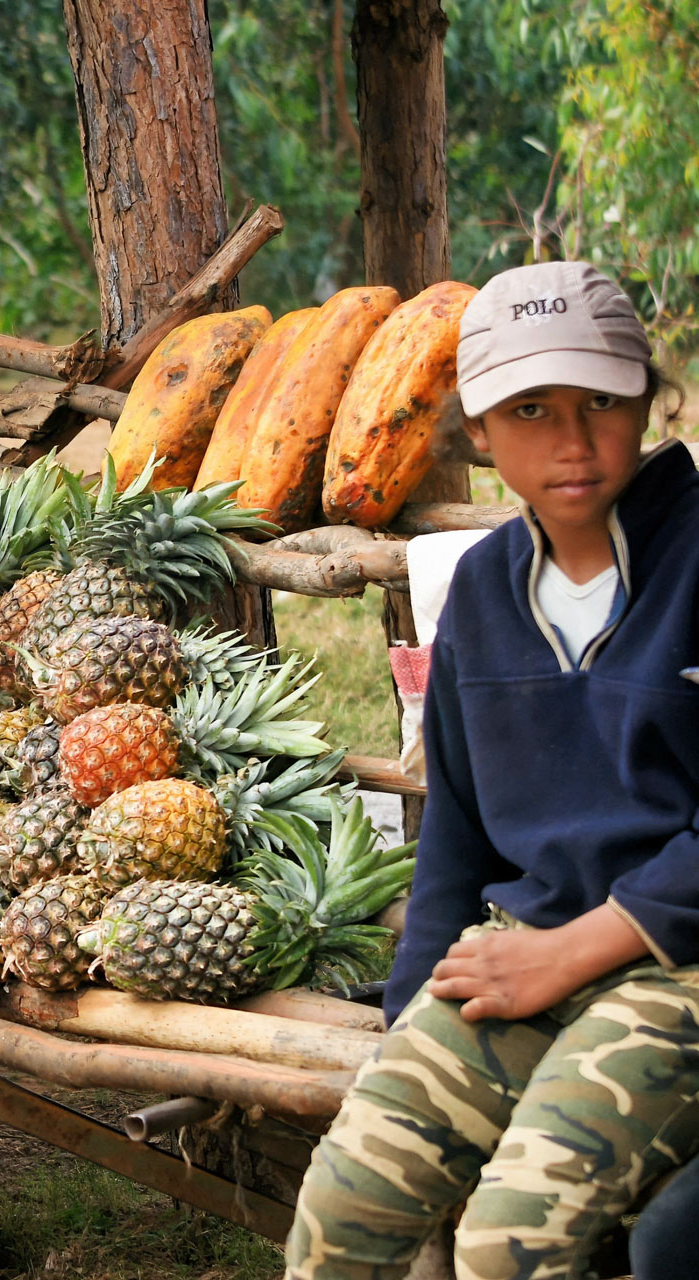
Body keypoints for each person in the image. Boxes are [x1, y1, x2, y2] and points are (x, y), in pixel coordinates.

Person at [284, 260, 699, 1279]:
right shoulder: (481, 589)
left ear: (649, 396)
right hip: (522, 957)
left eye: (601, 400)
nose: (572, 438)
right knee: (340, 1214)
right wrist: (410, 1028)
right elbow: (457, 836)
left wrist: (575, 950)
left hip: (679, 964)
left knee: (510, 1238)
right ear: (476, 428)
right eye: (531, 409)